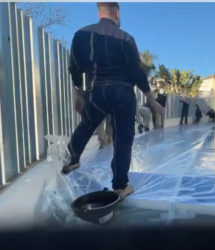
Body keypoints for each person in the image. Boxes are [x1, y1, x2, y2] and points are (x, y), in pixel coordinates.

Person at [63, 2, 163, 199]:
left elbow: (74, 68)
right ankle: (120, 185)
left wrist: (79, 94)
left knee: (86, 125)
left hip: (97, 90)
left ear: (100, 12)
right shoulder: (125, 38)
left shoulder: (81, 35)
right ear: (117, 14)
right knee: (123, 138)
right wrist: (151, 99)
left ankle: (72, 160)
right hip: (122, 92)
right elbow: (136, 71)